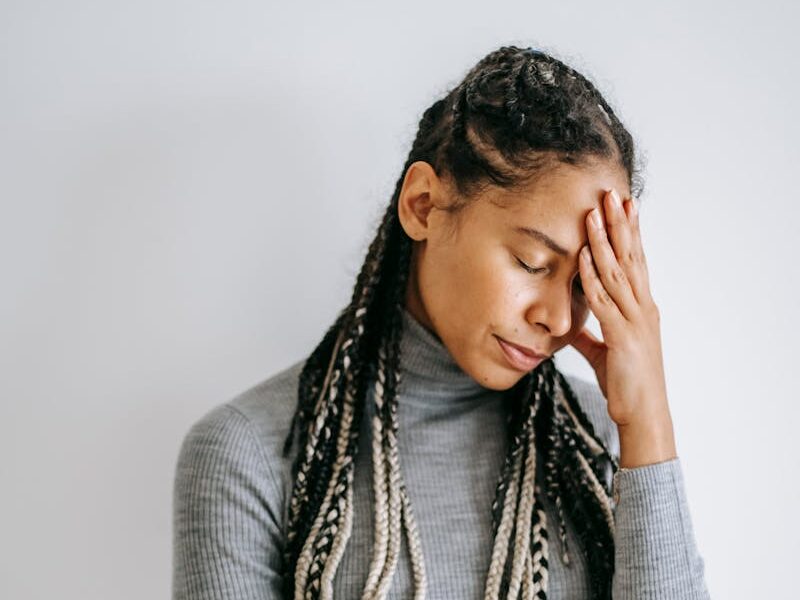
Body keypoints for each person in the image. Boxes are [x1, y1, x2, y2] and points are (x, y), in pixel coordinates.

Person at [172, 45, 710, 600]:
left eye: (583, 284)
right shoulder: (250, 453)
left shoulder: (601, 440)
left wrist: (648, 422)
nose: (555, 319)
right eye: (531, 263)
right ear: (423, 204)